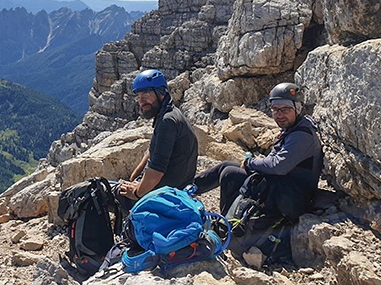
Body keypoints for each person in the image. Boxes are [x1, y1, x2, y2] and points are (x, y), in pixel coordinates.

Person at [193, 82, 323, 221]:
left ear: (297, 109)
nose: (279, 115)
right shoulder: (292, 129)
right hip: (283, 185)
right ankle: (186, 189)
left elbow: (277, 166)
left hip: (294, 198)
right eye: (275, 109)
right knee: (225, 165)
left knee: (230, 174)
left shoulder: (301, 135)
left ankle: (228, 223)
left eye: (285, 110)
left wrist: (250, 163)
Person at [118, 69, 198, 206]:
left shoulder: (168, 121)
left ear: (160, 92)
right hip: (175, 186)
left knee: (109, 197)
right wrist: (133, 179)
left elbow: (156, 172)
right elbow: (151, 151)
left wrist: (136, 193)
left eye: (146, 94)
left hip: (167, 193)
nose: (142, 101)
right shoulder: (168, 113)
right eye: (138, 96)